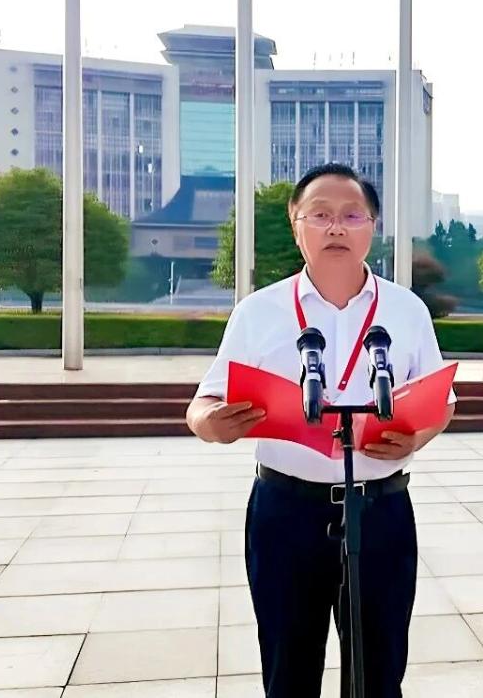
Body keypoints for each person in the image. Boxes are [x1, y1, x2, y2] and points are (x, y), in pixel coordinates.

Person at [186, 163, 456, 698]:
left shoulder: (405, 310)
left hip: (380, 510)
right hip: (286, 512)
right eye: (320, 215)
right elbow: (202, 404)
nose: (336, 227)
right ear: (296, 226)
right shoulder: (258, 312)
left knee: (379, 670)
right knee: (288, 668)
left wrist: (417, 436)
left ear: (372, 227)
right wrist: (212, 424)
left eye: (352, 215)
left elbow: (441, 402)